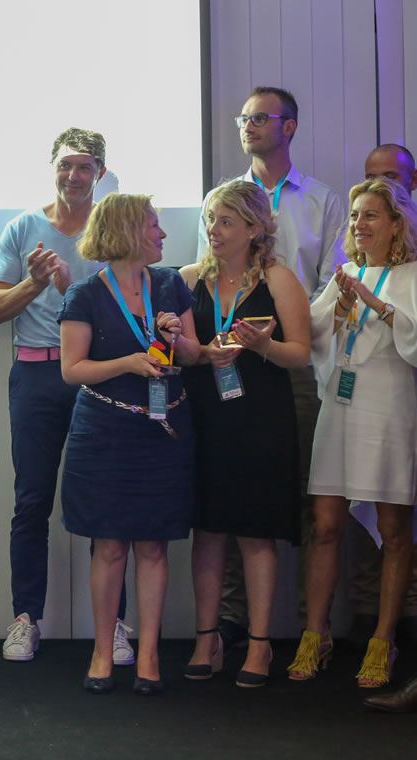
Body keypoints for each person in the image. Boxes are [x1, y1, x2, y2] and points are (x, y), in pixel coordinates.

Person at [203, 86, 347, 650]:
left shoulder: (323, 200)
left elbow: (333, 282)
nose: (248, 125)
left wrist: (283, 323)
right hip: (227, 362)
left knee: (306, 493)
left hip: (295, 362)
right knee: (228, 493)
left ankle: (313, 625)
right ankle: (231, 622)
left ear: (289, 127)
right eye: (243, 118)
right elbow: (207, 272)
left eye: (260, 117)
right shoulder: (220, 197)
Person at [0, 128, 133, 666]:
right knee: (31, 501)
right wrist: (35, 282)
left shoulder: (112, 228)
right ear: (53, 168)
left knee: (107, 501)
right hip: (36, 375)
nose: (73, 175)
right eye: (65, 165)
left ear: (100, 173)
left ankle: (113, 626)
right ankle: (25, 618)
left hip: (97, 376)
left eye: (84, 166)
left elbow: (126, 312)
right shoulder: (23, 227)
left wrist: (69, 287)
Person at [58, 193, 199, 696]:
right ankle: (103, 651)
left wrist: (176, 338)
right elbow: (72, 370)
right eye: (154, 225)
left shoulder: (171, 283)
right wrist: (130, 363)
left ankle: (150, 653)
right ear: (127, 232)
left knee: (154, 545)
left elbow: (193, 354)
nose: (163, 234)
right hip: (105, 434)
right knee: (110, 544)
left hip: (162, 432)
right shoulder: (84, 295)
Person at [179, 180, 311, 687]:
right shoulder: (188, 279)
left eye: (226, 221)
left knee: (256, 533)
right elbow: (177, 351)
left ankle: (259, 645)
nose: (214, 230)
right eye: (211, 219)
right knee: (208, 531)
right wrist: (193, 349)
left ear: (255, 229)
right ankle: (206, 640)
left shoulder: (278, 279)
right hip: (204, 419)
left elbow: (300, 353)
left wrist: (263, 347)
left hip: (260, 421)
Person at [289, 178, 417, 688]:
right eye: (356, 215)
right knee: (324, 524)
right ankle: (314, 634)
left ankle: (383, 641)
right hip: (340, 409)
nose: (359, 224)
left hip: (388, 409)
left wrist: (373, 302)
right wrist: (338, 311)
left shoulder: (411, 275)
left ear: (396, 224)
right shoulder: (344, 274)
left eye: (371, 215)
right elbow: (313, 335)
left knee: (393, 530)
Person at [346, 144, 417, 646]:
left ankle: (401, 624)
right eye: (374, 176)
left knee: (398, 516)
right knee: (355, 511)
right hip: (361, 397)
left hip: (401, 395)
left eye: (392, 176)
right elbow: (320, 332)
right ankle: (367, 618)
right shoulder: (353, 259)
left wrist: (378, 305)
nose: (383, 183)